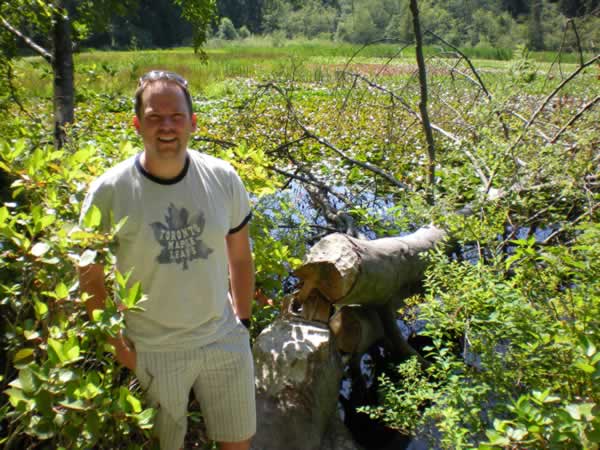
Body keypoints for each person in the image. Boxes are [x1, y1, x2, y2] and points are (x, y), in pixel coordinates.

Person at [78, 70, 256, 450]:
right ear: (137, 123)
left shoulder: (223, 178)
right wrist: (118, 346)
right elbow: (88, 274)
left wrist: (242, 322)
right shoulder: (110, 190)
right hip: (152, 350)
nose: (166, 127)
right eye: (155, 117)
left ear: (193, 122)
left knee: (238, 443)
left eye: (176, 116)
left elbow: (240, 256)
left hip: (222, 340)